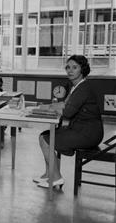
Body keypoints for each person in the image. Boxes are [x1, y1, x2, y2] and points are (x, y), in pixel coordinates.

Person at [36, 55, 103, 189]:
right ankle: (49, 174)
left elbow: (67, 112)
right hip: (81, 129)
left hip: (88, 134)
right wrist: (43, 107)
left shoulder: (83, 88)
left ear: (82, 69)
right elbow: (63, 104)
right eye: (68, 67)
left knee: (45, 139)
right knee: (43, 135)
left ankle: (56, 178)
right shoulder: (76, 86)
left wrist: (49, 107)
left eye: (74, 67)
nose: (70, 70)